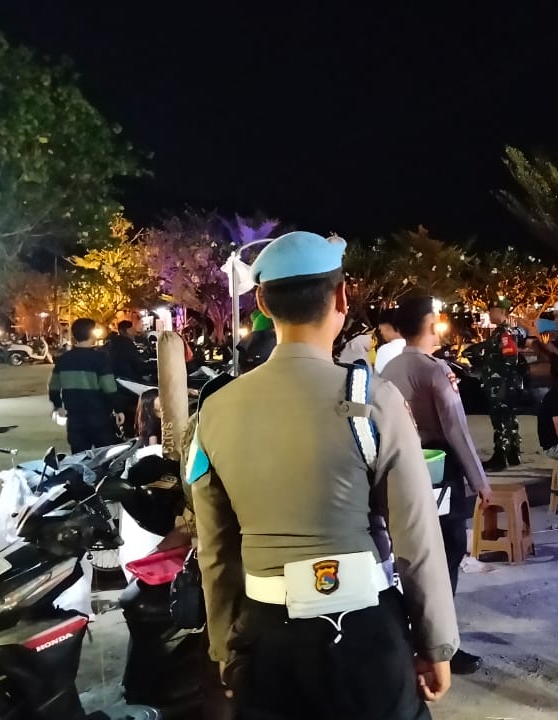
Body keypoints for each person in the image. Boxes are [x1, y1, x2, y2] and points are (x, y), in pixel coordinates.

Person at [188, 231, 457, 720]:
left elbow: (215, 548)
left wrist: (225, 647)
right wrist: (436, 642)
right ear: (342, 296)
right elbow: (416, 536)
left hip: (266, 637)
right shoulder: (373, 399)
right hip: (365, 632)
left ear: (262, 304)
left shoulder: (214, 410)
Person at [382, 295, 493, 676]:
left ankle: (411, 636)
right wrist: (480, 480)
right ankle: (442, 642)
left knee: (412, 554)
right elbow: (456, 428)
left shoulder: (389, 368)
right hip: (440, 468)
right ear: (431, 324)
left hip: (402, 467)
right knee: (447, 554)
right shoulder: (435, 370)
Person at [49, 317, 121, 453]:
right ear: (91, 334)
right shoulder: (100, 358)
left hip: (75, 417)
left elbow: (54, 386)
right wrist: (118, 409)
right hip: (99, 416)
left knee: (80, 456)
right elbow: (109, 388)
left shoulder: (63, 359)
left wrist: (57, 405)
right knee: (104, 455)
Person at [478, 298, 524, 471]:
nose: (490, 314)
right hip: (502, 383)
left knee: (500, 419)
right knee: (509, 417)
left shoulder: (504, 333)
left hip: (501, 383)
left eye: (493, 311)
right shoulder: (501, 332)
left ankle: (501, 455)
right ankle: (513, 453)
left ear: (503, 312)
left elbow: (510, 359)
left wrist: (504, 384)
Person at [374, 308, 406, 374]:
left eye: (381, 328)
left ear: (388, 325)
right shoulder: (414, 348)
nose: (381, 332)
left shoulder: (385, 350)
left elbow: (378, 377)